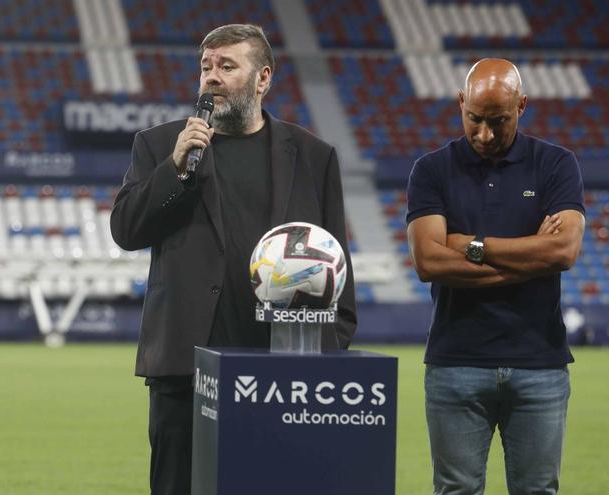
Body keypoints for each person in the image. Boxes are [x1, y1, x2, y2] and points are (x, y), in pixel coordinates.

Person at [110, 24, 356, 495]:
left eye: (227, 66)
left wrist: (331, 346)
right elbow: (125, 229)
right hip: (186, 366)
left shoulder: (312, 155)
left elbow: (335, 259)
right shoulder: (161, 145)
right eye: (206, 67)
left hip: (281, 371)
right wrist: (175, 170)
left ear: (262, 79)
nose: (212, 78)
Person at [406, 58, 584, 494]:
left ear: (521, 106)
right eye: (474, 119)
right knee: (456, 490)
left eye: (498, 121)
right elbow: (429, 262)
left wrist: (470, 244)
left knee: (538, 490)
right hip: (455, 363)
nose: (484, 134)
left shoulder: (557, 164)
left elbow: (563, 250)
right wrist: (529, 261)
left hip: (539, 365)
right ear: (460, 102)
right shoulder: (430, 169)